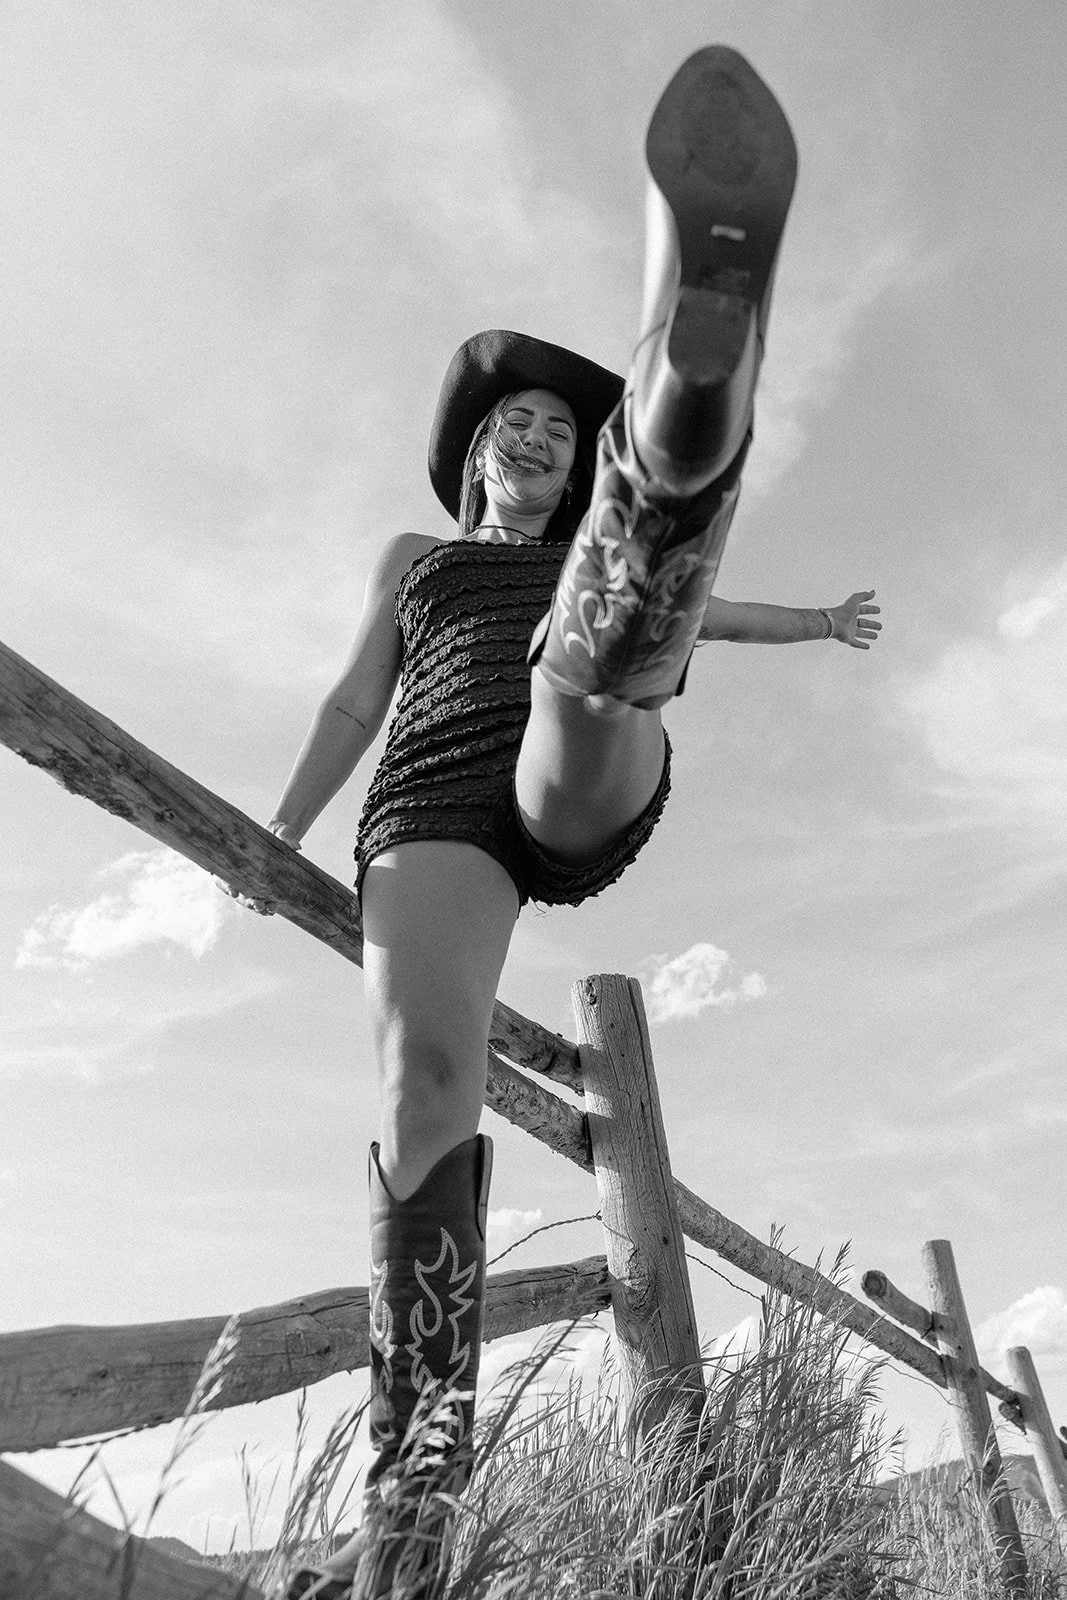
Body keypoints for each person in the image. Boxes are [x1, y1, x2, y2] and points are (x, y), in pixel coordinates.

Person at [224, 46, 880, 1600]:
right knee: (428, 1088)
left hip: (577, 771)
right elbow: (344, 702)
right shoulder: (415, 557)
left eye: (551, 427)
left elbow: (738, 622)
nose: (524, 436)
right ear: (470, 456)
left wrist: (823, 621)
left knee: (601, 683)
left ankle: (673, 449)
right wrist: (280, 830)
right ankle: (420, 1495)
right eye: (510, 425)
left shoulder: (568, 554)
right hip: (430, 802)